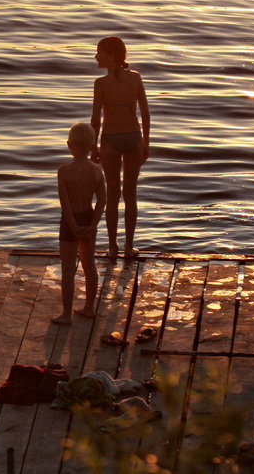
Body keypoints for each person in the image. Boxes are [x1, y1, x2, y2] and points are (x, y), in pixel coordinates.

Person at [90, 36, 150, 260]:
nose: (96, 56)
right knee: (131, 194)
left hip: (110, 140)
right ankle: (129, 247)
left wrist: (93, 146)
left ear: (112, 56)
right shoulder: (135, 78)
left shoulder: (100, 84)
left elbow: (96, 119)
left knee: (113, 195)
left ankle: (113, 247)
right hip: (133, 138)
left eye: (99, 52)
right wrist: (146, 142)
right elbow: (144, 113)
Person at [52, 122, 105, 325]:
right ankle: (89, 308)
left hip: (70, 221)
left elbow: (64, 203)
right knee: (89, 266)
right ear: (93, 145)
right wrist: (93, 224)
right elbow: (102, 201)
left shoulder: (64, 171)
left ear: (69, 145)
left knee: (68, 270)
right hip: (87, 217)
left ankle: (66, 314)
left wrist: (73, 226)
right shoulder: (96, 171)